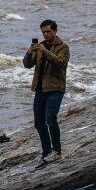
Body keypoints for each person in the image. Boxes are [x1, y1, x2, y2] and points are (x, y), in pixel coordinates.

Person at [22, 19, 69, 164]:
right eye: (44, 32)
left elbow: (60, 63)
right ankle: (46, 151)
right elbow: (27, 65)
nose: (46, 34)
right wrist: (29, 53)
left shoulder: (63, 47)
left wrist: (45, 52)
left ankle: (57, 151)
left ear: (55, 31)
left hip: (55, 88)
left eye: (48, 31)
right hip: (40, 89)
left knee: (50, 118)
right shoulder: (40, 46)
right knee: (38, 122)